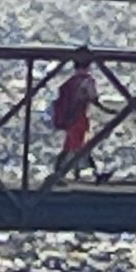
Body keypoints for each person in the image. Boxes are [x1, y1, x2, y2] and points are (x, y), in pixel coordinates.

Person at [49, 47, 96, 183]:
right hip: (80, 118)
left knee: (72, 146)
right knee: (78, 147)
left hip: (70, 118)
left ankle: (65, 172)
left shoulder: (69, 82)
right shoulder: (87, 81)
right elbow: (93, 98)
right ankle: (68, 173)